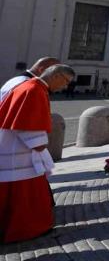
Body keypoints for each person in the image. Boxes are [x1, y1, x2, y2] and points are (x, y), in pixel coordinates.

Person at [0, 64, 73, 242]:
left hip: (13, 147)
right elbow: (28, 125)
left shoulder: (28, 86)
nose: (65, 87)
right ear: (56, 76)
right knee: (26, 195)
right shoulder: (34, 90)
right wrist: (40, 145)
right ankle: (27, 230)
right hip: (20, 153)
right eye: (65, 82)